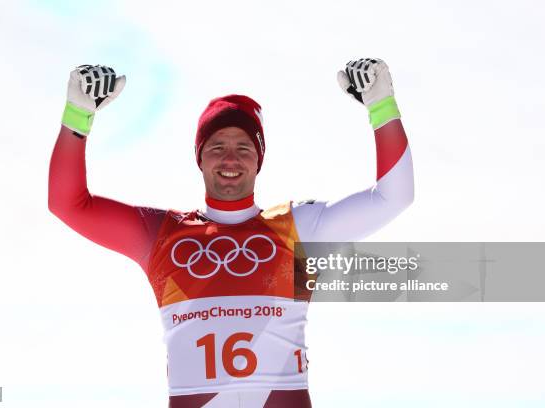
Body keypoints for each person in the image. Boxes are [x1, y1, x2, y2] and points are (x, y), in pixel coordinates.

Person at [48, 58, 414, 408]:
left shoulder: (299, 228)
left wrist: (381, 106)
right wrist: (77, 118)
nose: (230, 160)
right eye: (217, 147)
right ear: (200, 157)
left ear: (259, 159)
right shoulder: (161, 234)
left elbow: (393, 197)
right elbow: (68, 204)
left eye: (243, 147)